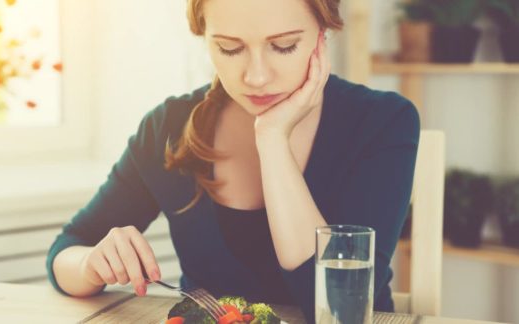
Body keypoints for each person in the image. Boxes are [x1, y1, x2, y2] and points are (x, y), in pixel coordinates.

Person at [47, 0, 420, 322]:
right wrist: (91, 263)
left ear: (323, 33)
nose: (256, 76)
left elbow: (339, 311)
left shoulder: (383, 122)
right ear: (205, 36)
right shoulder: (168, 127)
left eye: (284, 46)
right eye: (229, 48)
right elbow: (67, 249)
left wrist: (272, 140)